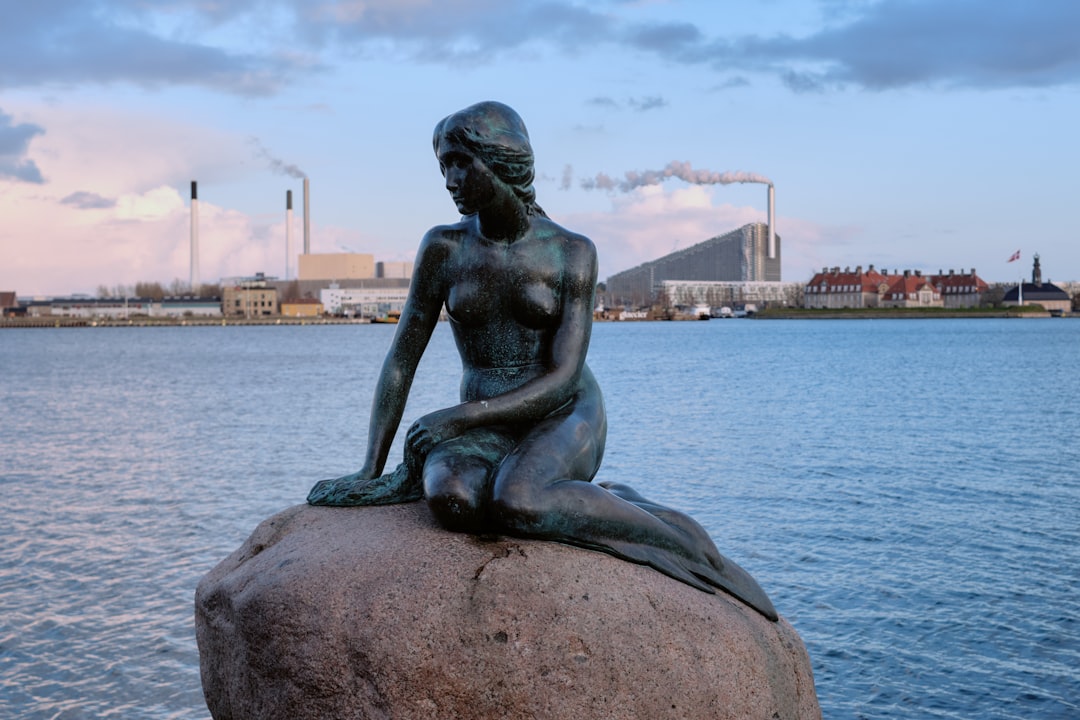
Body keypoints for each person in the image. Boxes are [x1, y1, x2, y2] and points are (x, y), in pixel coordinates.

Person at [308, 101, 776, 620]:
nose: (451, 179)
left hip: (564, 412)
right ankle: (585, 499)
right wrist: (370, 468)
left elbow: (563, 376)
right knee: (453, 500)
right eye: (444, 166)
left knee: (520, 501)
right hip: (488, 421)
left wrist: (457, 418)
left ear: (503, 161)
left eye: (462, 162)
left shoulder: (571, 251)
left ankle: (679, 540)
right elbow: (401, 359)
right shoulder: (443, 247)